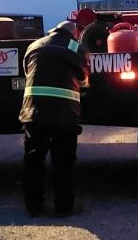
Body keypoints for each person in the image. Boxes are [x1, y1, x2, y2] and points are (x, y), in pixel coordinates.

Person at [19, 19, 89, 217]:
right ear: (73, 34)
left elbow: (28, 73)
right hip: (64, 115)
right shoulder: (76, 47)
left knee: (33, 162)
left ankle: (34, 207)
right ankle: (64, 207)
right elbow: (84, 82)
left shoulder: (34, 45)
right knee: (63, 162)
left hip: (33, 113)